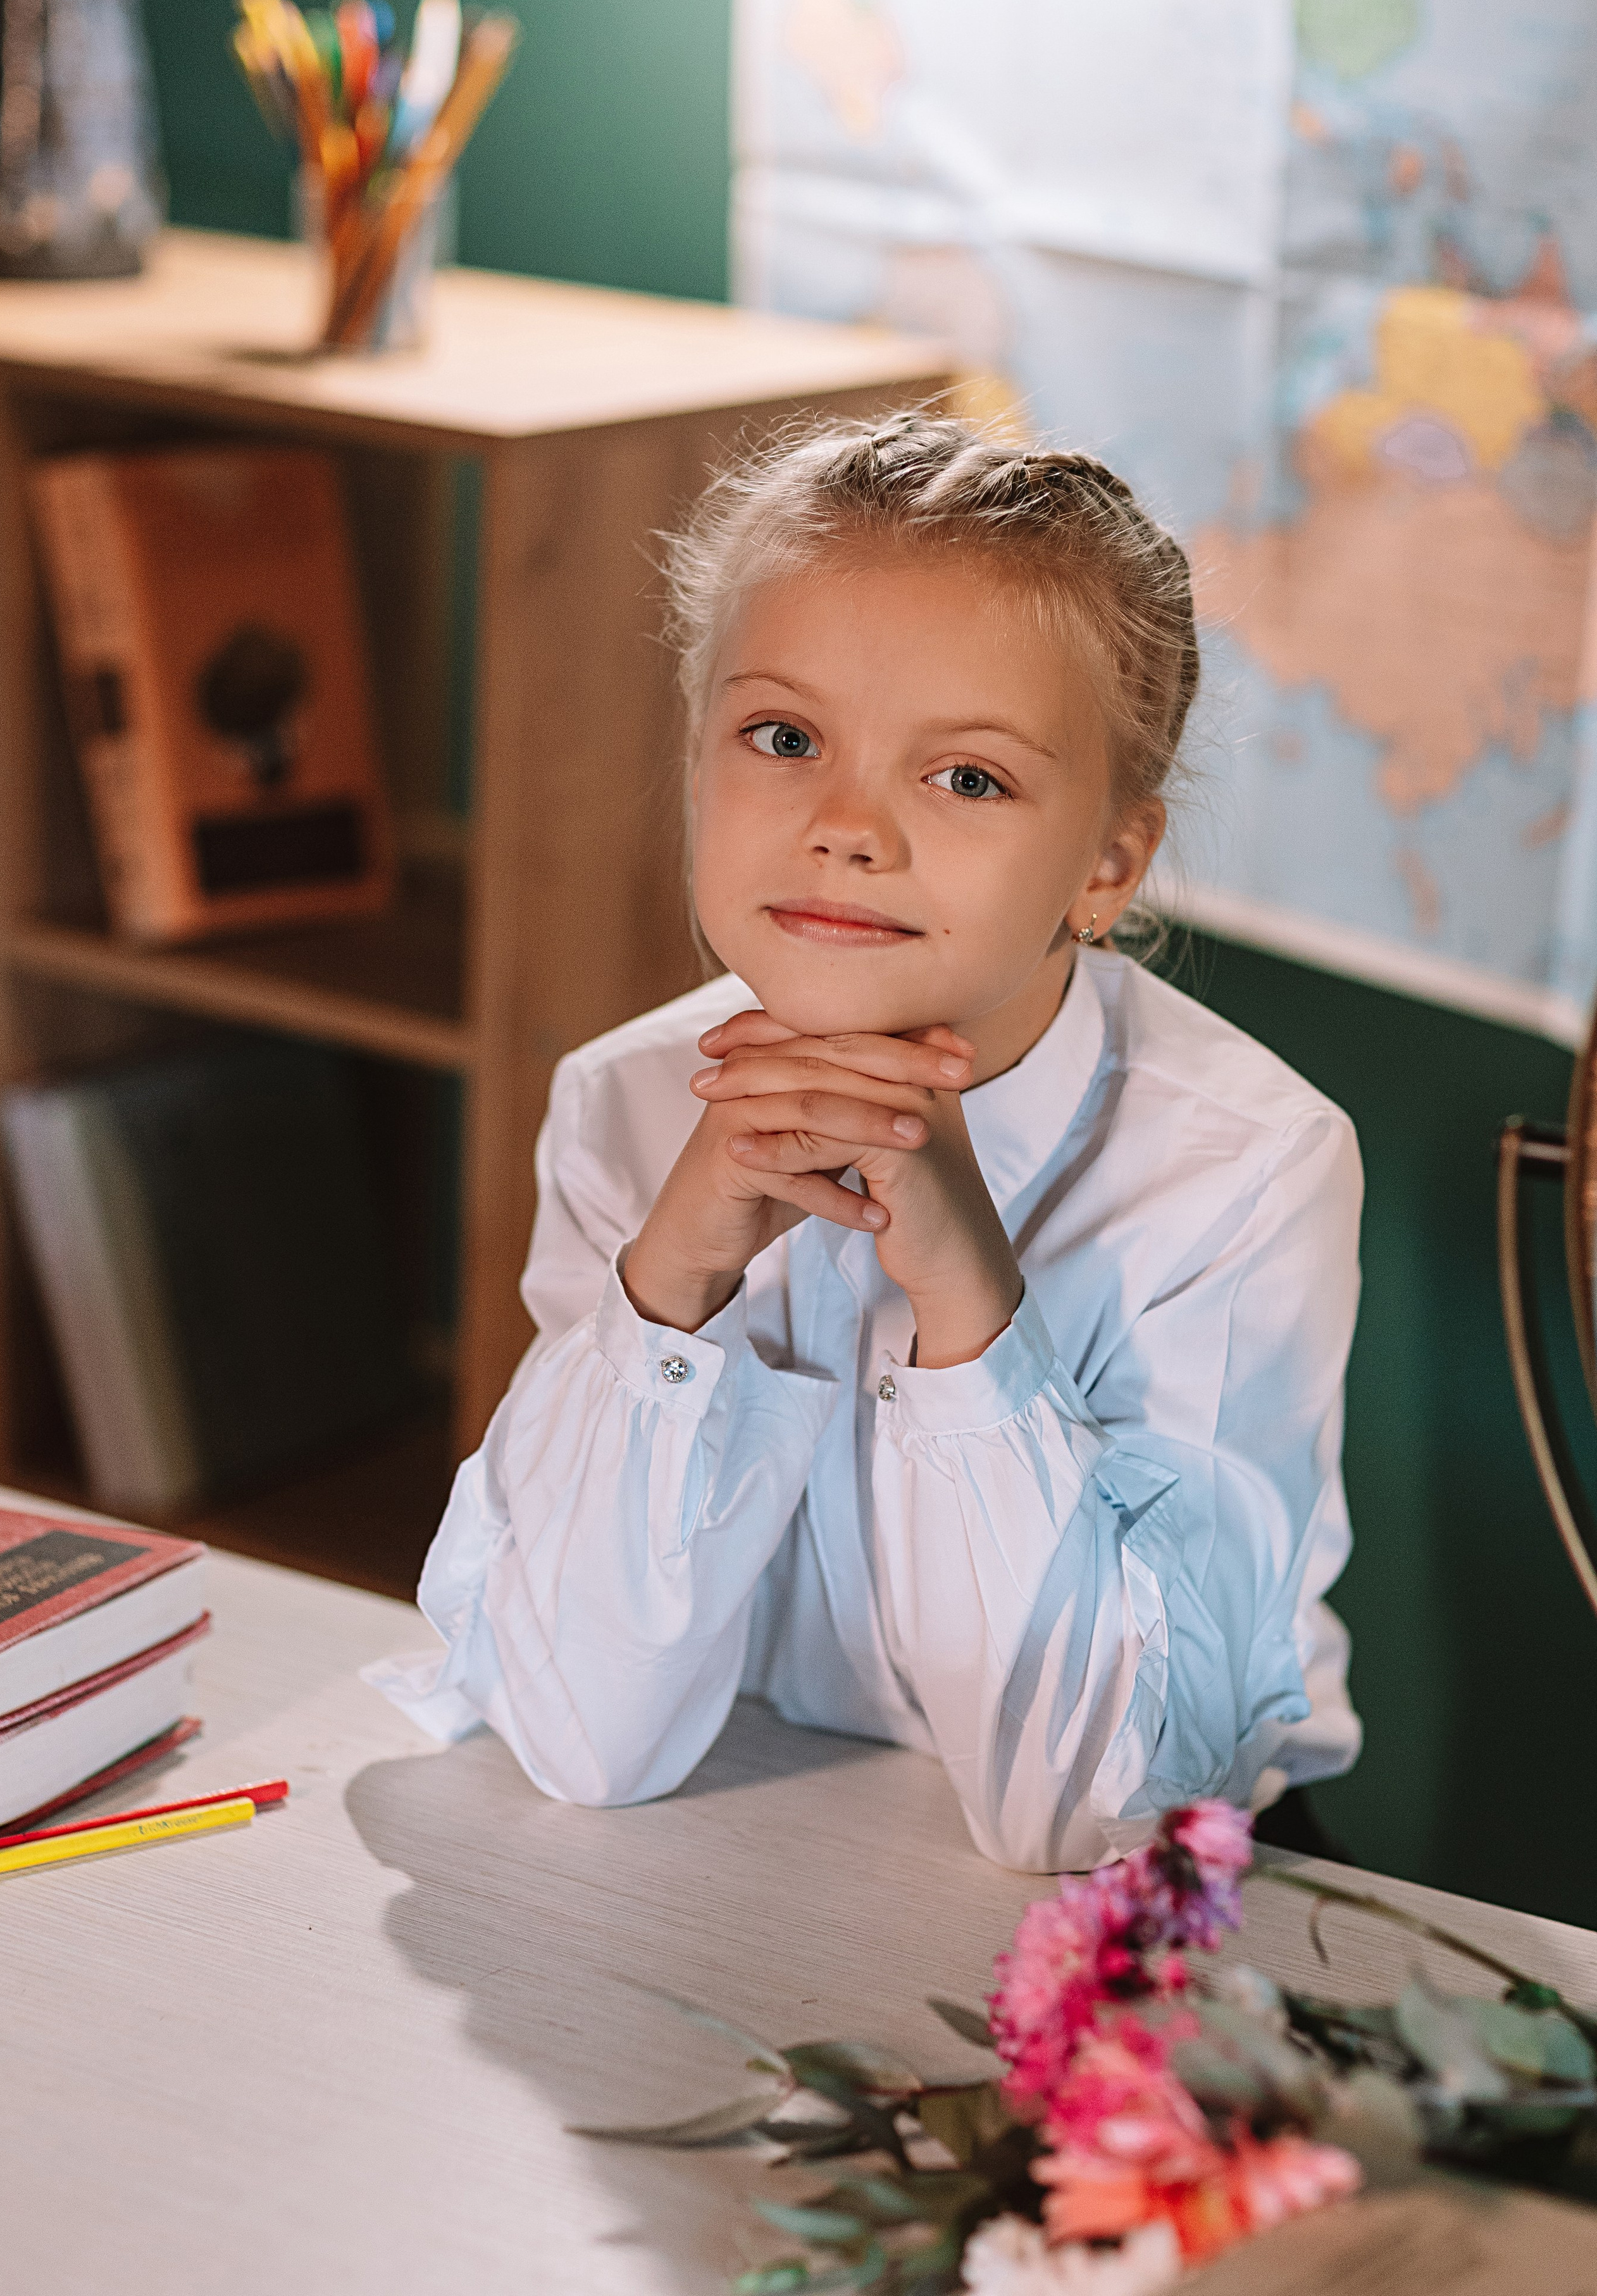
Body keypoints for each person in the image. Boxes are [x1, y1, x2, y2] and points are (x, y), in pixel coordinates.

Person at [371, 412, 1363, 1873]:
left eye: (963, 778)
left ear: (1106, 863)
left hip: (1157, 1908)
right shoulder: (625, 1100)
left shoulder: (1240, 1172)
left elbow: (1091, 1815)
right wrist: (670, 1282)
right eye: (783, 738)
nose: (846, 828)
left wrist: (970, 1312)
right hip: (749, 1844)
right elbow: (576, 1738)